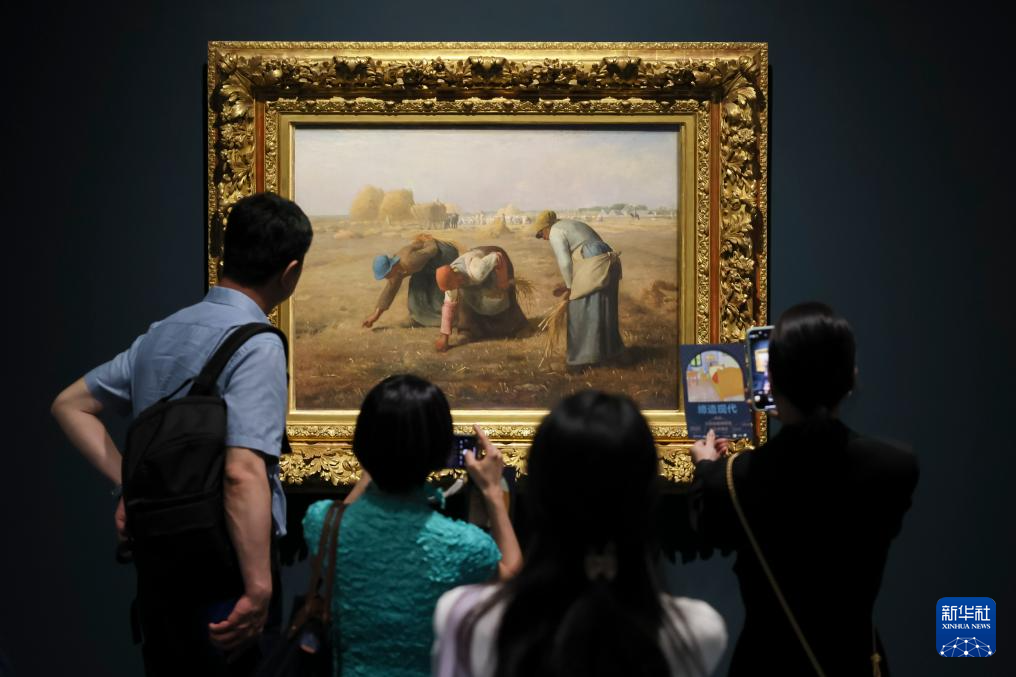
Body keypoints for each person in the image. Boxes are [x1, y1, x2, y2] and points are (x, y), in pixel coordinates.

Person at [50, 192, 313, 676]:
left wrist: (131, 485)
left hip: (159, 569)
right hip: (226, 569)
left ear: (226, 252)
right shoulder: (259, 345)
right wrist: (258, 587)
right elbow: (242, 472)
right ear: (290, 272)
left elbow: (70, 404)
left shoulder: (161, 333)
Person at [689, 302, 919, 676]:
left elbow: (710, 527)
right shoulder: (896, 467)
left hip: (766, 664)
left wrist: (706, 467)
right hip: (853, 662)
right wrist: (795, 408)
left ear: (770, 380)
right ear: (850, 378)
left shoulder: (731, 479)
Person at [433, 390, 727, 677]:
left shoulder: (465, 619)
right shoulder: (698, 633)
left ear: (538, 497)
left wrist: (494, 495)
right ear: (647, 501)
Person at [302, 374, 522, 677]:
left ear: (361, 443)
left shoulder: (321, 522)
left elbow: (341, 517)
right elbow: (512, 578)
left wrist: (376, 467)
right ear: (440, 452)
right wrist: (493, 492)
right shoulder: (462, 545)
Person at [532, 210, 623, 369]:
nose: (543, 238)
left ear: (546, 228)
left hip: (593, 259)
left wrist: (570, 287)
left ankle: (581, 361)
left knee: (578, 307)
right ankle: (609, 354)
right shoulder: (569, 224)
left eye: (541, 234)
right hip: (605, 259)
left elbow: (565, 262)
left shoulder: (555, 231)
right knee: (604, 305)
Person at [434, 245, 528, 352]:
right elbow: (448, 307)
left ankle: (519, 327)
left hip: (494, 261)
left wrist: (502, 281)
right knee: (467, 298)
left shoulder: (476, 270)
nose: (450, 290)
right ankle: (468, 331)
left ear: (457, 277)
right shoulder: (452, 280)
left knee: (500, 297)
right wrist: (444, 337)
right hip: (477, 269)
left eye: (451, 287)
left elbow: (497, 256)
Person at [362, 234, 459, 329]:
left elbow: (432, 249)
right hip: (427, 262)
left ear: (391, 267)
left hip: (444, 254)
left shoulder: (410, 260)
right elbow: (390, 290)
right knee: (416, 286)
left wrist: (428, 238)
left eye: (386, 275)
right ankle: (419, 318)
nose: (386, 278)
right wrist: (375, 316)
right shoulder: (397, 269)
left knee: (438, 288)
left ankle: (449, 319)